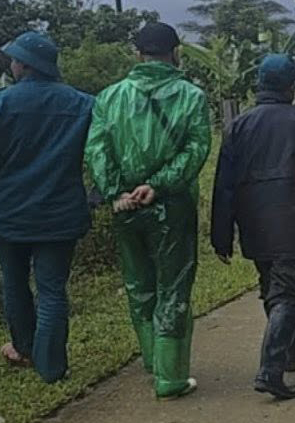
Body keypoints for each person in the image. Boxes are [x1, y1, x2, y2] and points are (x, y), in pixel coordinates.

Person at [85, 22, 212, 400]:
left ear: (137, 55)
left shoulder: (108, 97)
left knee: (139, 286)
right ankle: (170, 376)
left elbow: (96, 150)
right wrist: (157, 184)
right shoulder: (192, 96)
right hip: (172, 206)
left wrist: (114, 192)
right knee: (172, 287)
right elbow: (196, 149)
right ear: (176, 53)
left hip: (125, 207)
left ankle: (154, 361)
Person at [0, 31, 94, 383]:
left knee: (15, 283)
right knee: (52, 289)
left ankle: (23, 349)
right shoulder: (83, 104)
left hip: (11, 213)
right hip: (60, 212)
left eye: (16, 60)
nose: (12, 64)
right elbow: (104, 155)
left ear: (25, 65)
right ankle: (51, 367)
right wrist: (96, 195)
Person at [211, 54, 295, 400]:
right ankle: (270, 370)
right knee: (287, 294)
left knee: (272, 287)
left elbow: (222, 185)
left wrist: (221, 234)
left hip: (254, 221)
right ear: (291, 86)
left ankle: (288, 356)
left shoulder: (238, 126)